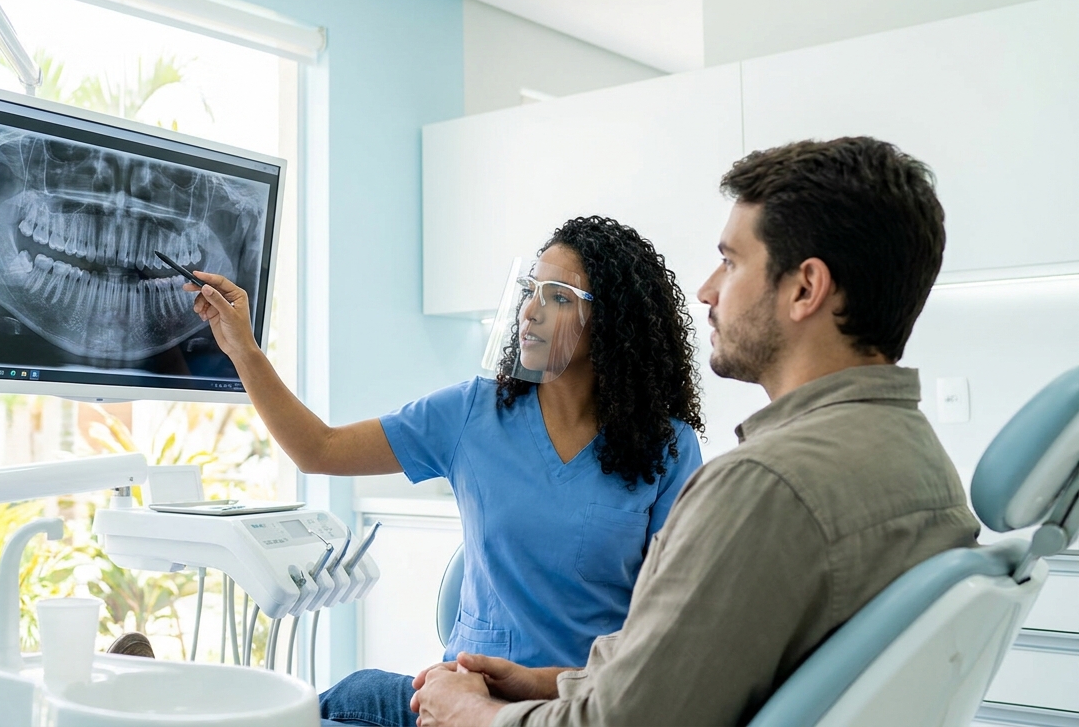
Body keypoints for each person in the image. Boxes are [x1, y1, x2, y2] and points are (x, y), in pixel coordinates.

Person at [409, 137, 982, 727]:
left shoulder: (763, 487)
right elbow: (692, 665)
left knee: (343, 702)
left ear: (805, 289)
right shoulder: (924, 466)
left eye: (731, 262)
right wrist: (551, 682)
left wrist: (474, 714)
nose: (707, 289)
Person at [127, 216, 703, 725]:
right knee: (340, 696)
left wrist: (541, 685)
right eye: (530, 291)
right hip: (458, 694)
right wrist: (243, 350)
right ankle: (155, 707)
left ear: (614, 322)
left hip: (573, 708)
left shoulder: (668, 448)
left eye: (557, 296)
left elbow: (669, 632)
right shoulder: (475, 413)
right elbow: (319, 449)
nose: (530, 310)